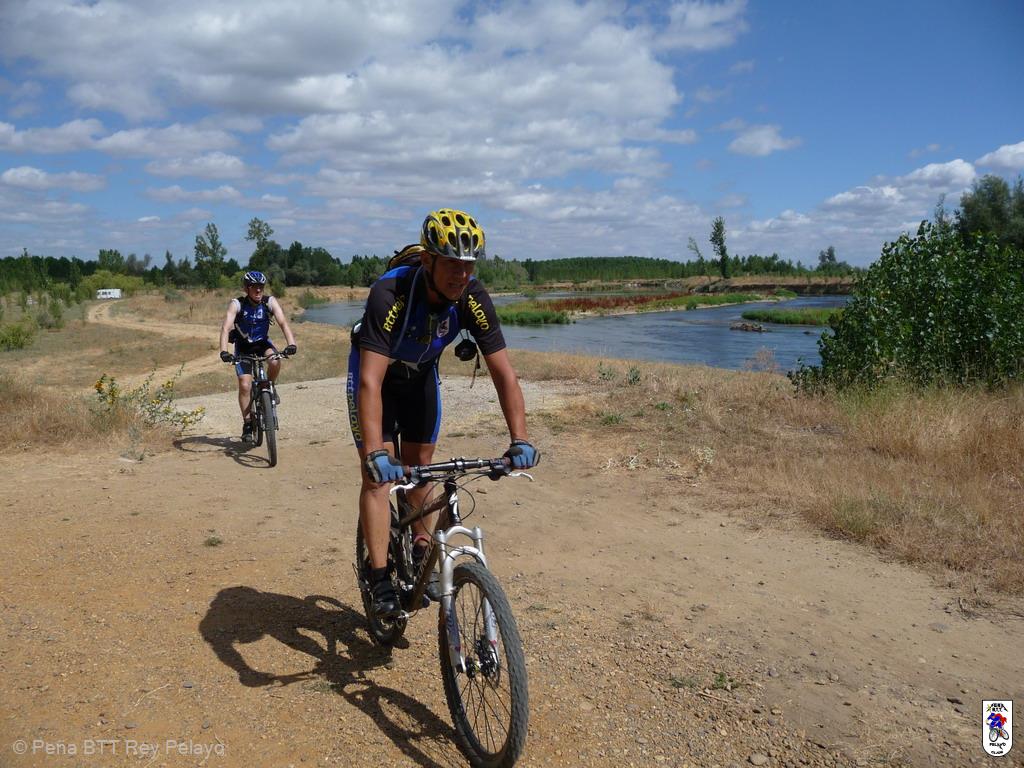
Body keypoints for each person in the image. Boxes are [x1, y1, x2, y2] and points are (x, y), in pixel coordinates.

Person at [347, 208, 539, 619]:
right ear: (428, 260)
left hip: (420, 379)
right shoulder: (390, 293)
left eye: (469, 265)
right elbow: (369, 382)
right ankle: (379, 578)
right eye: (453, 264)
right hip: (376, 380)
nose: (462, 275)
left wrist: (520, 439)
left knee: (421, 467)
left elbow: (504, 374)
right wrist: (375, 452)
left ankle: (420, 549)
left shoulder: (472, 296)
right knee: (378, 476)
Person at [218, 271, 297, 442]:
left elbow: (283, 322)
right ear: (247, 288)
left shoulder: (269, 302)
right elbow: (226, 328)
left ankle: (270, 386)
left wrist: (291, 344)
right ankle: (247, 423)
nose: (259, 290)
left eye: (261, 286)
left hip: (262, 344)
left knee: (275, 361)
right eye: (255, 287)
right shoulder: (237, 304)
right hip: (243, 347)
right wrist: (224, 351)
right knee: (245, 384)